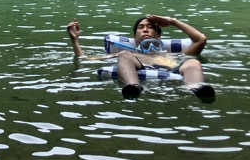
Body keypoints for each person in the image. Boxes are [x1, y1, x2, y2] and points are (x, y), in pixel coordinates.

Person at [65, 14, 215, 102]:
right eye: (141, 27)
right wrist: (75, 40)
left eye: (150, 27)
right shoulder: (127, 54)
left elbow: (201, 39)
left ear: (158, 35)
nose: (145, 29)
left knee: (192, 62)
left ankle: (197, 88)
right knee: (124, 55)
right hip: (136, 67)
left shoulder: (172, 55)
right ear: (135, 35)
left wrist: (172, 21)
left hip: (172, 68)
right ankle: (133, 88)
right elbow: (85, 59)